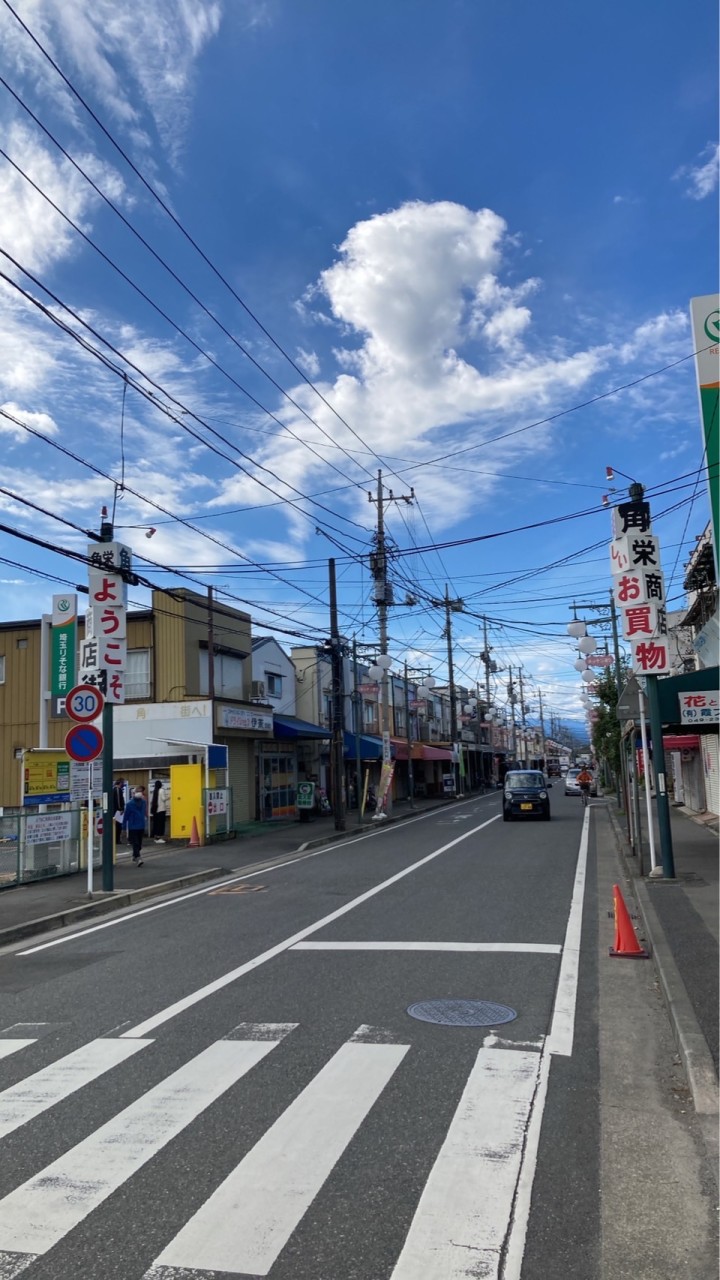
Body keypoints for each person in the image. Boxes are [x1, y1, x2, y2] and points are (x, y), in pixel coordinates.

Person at [122, 787, 147, 865]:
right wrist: (123, 827)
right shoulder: (129, 804)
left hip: (141, 825)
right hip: (133, 826)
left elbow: (144, 812)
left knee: (139, 844)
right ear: (133, 793)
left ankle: (134, 855)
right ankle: (138, 858)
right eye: (137, 791)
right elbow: (126, 816)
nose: (139, 793)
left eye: (140, 791)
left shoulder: (143, 802)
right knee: (135, 843)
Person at [150, 779, 169, 843]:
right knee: (161, 824)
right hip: (161, 809)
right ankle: (159, 837)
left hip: (156, 810)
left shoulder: (155, 790)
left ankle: (156, 838)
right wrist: (169, 797)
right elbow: (163, 799)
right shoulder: (161, 790)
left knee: (156, 824)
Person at [112, 778, 126, 844]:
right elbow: (118, 800)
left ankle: (115, 839)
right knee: (118, 825)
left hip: (114, 810)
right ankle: (117, 840)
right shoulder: (117, 790)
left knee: (116, 825)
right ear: (120, 783)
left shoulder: (114, 789)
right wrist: (120, 809)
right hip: (117, 811)